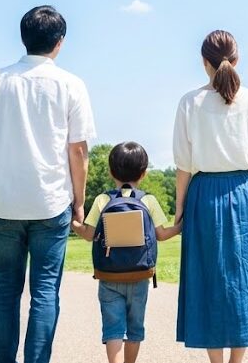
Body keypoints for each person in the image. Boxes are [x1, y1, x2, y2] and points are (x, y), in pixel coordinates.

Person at [0, 5, 96, 363]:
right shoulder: (72, 84)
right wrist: (79, 201)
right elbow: (79, 151)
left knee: (5, 291)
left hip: (5, 201)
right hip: (51, 201)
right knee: (44, 293)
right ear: (60, 42)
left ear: (23, 39)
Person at [174, 29, 248, 363]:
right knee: (244, 277)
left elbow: (183, 166)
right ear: (237, 58)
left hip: (203, 194)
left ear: (204, 62)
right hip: (245, 194)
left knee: (208, 278)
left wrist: (179, 209)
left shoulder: (190, 102)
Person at [71, 141, 181, 363]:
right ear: (144, 173)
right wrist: (180, 227)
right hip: (140, 275)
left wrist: (74, 223)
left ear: (111, 171)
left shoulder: (103, 199)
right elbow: (161, 234)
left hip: (109, 275)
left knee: (113, 328)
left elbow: (89, 234)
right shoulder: (148, 200)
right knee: (135, 327)